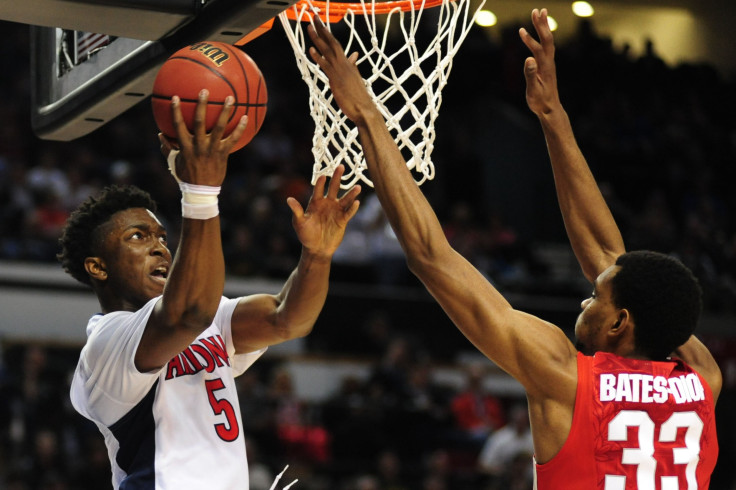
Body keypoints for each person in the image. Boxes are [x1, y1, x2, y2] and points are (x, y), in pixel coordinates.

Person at [306, 8, 720, 488]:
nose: (587, 295)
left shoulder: (564, 376)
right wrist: (551, 115)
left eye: (596, 297)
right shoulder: (703, 377)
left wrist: (365, 113)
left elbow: (431, 256)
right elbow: (614, 264)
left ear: (620, 323)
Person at [57, 91, 361, 489]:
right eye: (138, 236)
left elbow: (287, 318)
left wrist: (317, 256)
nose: (159, 246)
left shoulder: (204, 314)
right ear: (98, 267)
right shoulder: (105, 346)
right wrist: (199, 193)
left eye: (162, 237)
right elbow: (188, 313)